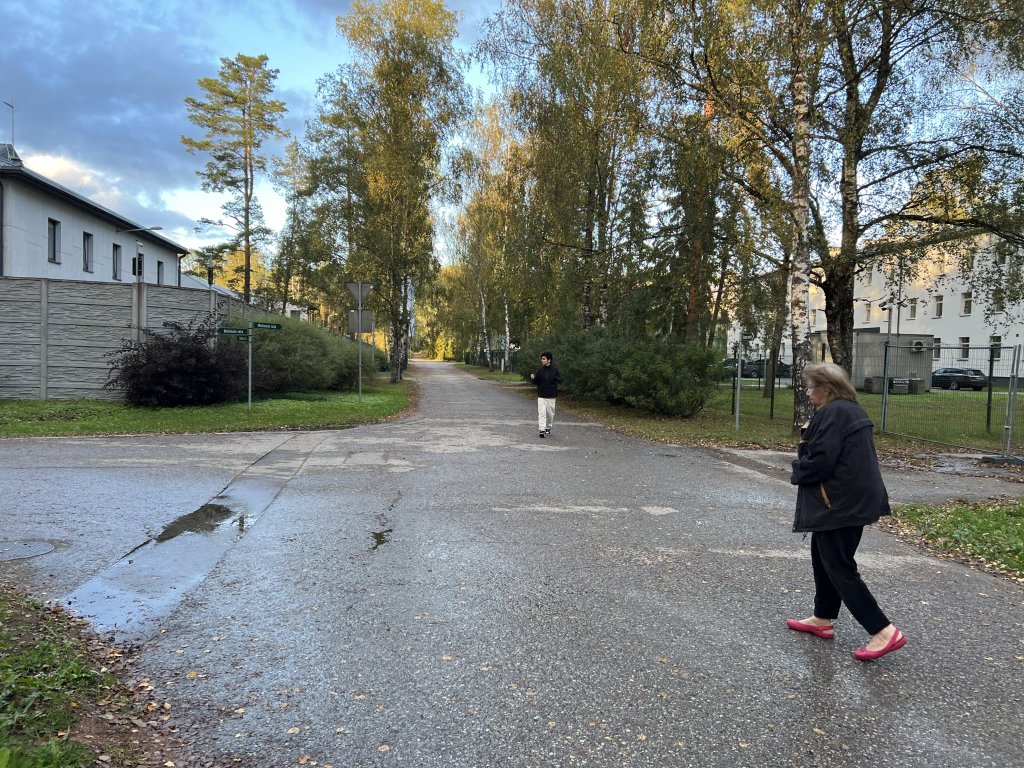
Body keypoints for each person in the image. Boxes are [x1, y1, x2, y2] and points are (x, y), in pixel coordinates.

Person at [787, 362, 907, 661]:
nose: (808, 390)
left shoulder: (833, 413)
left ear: (827, 389)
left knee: (839, 566)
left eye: (812, 386)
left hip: (839, 503)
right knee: (823, 555)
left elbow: (820, 462)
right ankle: (823, 618)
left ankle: (882, 630)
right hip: (851, 501)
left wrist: (798, 469)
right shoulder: (850, 409)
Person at [530, 352, 562, 438]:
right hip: (541, 396)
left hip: (551, 396)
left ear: (549, 360)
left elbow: (560, 380)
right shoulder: (540, 370)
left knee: (550, 413)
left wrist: (555, 378)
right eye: (542, 359)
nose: (542, 360)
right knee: (542, 413)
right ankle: (542, 430)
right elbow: (536, 381)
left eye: (544, 359)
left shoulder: (555, 371)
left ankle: (548, 426)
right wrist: (533, 378)